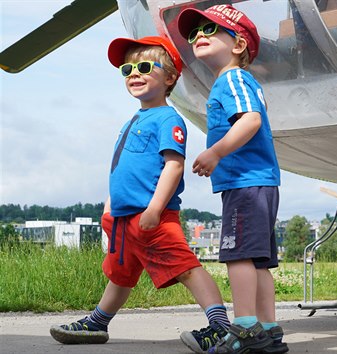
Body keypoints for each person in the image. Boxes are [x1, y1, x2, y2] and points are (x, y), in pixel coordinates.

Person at [49, 36, 231, 353]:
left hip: (152, 217)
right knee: (120, 275)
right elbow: (123, 168)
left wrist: (155, 209)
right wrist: (110, 206)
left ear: (171, 77)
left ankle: (221, 327)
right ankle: (97, 322)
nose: (134, 72)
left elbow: (173, 166)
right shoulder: (133, 119)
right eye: (127, 68)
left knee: (186, 269)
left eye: (145, 66)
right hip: (122, 218)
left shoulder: (168, 119)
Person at [176, 4, 288, 354]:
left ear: (238, 45)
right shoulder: (238, 81)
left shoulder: (232, 79)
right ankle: (268, 329)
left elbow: (251, 121)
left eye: (208, 30)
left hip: (245, 182)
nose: (197, 38)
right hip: (258, 183)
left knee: (238, 256)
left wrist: (216, 152)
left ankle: (244, 327)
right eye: (193, 34)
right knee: (258, 261)